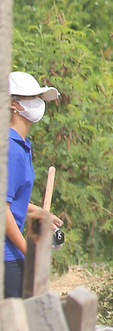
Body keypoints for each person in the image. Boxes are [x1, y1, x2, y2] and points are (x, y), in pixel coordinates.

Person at [6, 73, 63, 299]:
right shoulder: (10, 148)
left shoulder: (20, 144)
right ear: (12, 104)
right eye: (32, 97)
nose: (38, 103)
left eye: (39, 97)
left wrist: (34, 210)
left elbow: (10, 197)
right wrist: (28, 251)